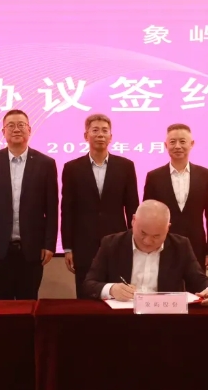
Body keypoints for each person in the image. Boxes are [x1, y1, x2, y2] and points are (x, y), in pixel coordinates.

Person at [0, 109, 59, 300]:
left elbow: (52, 209)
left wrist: (49, 244)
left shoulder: (45, 163)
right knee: (0, 305)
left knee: (28, 303)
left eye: (21, 125)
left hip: (32, 249)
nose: (16, 129)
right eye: (11, 125)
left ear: (29, 130)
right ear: (3, 131)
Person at [83, 200, 208, 306]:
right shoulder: (111, 244)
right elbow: (89, 284)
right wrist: (111, 289)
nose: (148, 241)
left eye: (156, 236)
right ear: (133, 220)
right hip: (123, 319)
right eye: (143, 233)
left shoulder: (180, 246)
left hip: (165, 318)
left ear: (168, 228)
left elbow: (198, 279)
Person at [61, 114, 139, 298]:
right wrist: (68, 248)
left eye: (105, 131)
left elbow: (133, 208)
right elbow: (67, 210)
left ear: (111, 137)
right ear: (86, 135)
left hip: (117, 242)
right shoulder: (72, 168)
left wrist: (134, 241)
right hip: (83, 243)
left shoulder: (126, 166)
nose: (100, 134)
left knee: (118, 295)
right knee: (85, 294)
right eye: (95, 130)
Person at [143, 123, 208, 272]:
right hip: (162, 245)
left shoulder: (206, 176)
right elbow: (147, 215)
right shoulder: (154, 177)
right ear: (166, 145)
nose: (177, 146)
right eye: (172, 142)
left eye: (182, 141)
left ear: (192, 144)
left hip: (196, 245)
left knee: (195, 285)